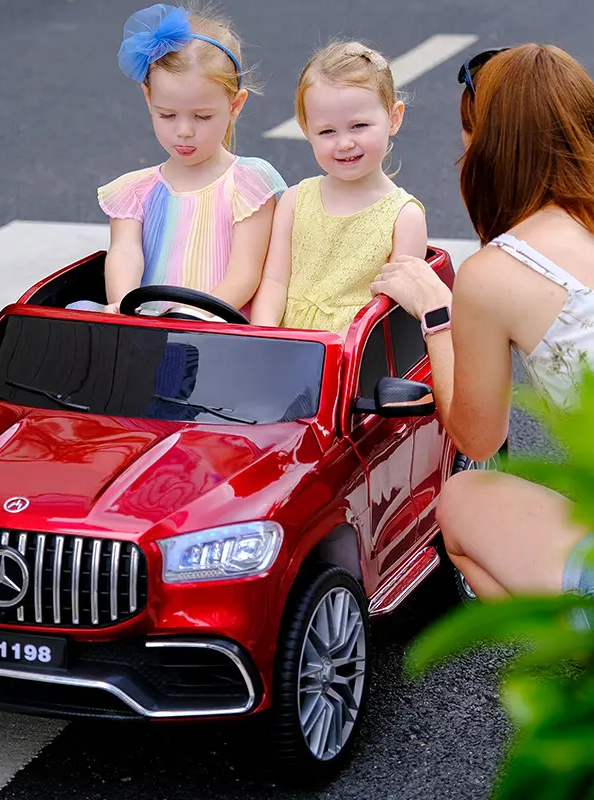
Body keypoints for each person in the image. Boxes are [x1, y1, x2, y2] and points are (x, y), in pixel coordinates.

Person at [370, 44, 594, 623]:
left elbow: (476, 439)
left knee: (465, 502)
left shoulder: (498, 273)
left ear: (489, 146)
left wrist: (438, 313)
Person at [72, 3, 286, 316]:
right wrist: (125, 304)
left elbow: (245, 274)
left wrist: (193, 316)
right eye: (167, 115)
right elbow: (125, 252)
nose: (183, 131)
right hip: (147, 324)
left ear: (235, 105)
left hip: (218, 324)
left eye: (202, 116)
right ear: (148, 98)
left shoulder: (249, 183)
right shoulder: (134, 191)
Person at [250, 41, 427, 333]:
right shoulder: (295, 201)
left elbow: (391, 309)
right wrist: (265, 335)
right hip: (286, 346)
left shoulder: (404, 217)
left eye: (359, 126)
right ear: (307, 130)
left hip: (356, 356)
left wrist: (338, 351)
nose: (345, 143)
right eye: (327, 131)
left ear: (394, 118)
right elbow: (274, 281)